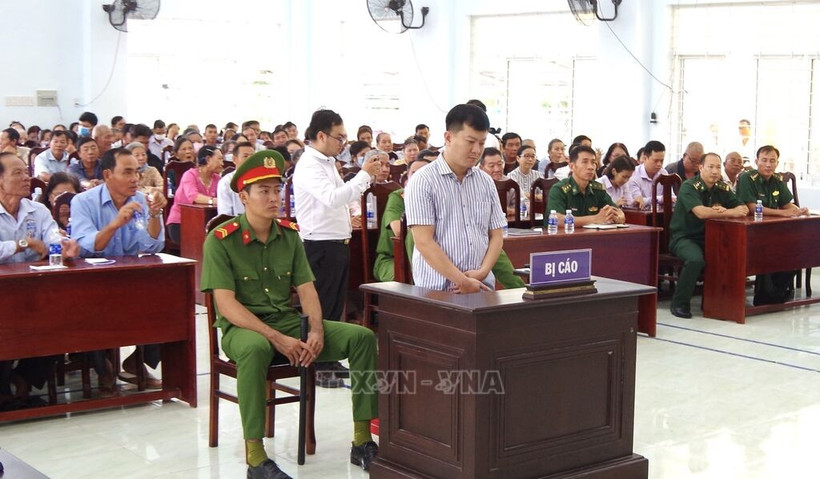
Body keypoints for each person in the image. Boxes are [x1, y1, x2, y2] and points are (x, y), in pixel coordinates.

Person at [200, 151, 379, 477]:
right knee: (255, 349)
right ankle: (256, 458)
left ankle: (362, 440)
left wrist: (317, 330)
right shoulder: (221, 240)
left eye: (276, 189)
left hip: (286, 323)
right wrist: (275, 337)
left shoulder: (290, 235)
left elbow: (308, 291)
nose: (273, 198)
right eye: (263, 191)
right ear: (243, 197)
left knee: (362, 338)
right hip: (242, 330)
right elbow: (226, 305)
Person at [292, 110, 381, 386]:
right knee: (319, 308)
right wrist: (364, 175)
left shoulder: (327, 162)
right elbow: (331, 198)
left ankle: (328, 358)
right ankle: (317, 364)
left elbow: (342, 197)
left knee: (332, 307)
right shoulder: (310, 164)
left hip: (336, 243)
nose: (343, 143)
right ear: (321, 135)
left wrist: (354, 207)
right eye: (339, 137)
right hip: (319, 244)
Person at [71, 147, 169, 393]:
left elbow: (153, 245)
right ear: (107, 175)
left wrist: (155, 214)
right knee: (85, 308)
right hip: (90, 279)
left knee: (170, 300)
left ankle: (137, 361)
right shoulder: (83, 202)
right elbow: (87, 245)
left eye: (136, 172)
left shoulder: (140, 200)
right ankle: (103, 369)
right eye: (127, 172)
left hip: (129, 276)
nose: (135, 178)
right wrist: (114, 224)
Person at [0, 152, 80, 410]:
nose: (27, 178)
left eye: (26, 172)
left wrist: (64, 245)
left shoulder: (38, 209)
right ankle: (4, 389)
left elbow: (52, 237)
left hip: (34, 291)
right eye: (18, 173)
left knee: (60, 323)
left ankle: (23, 380)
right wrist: (20, 244)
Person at [374, 157, 524, 290]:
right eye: (414, 173)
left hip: (461, 269)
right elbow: (401, 231)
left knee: (484, 243)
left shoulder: (479, 182)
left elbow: (493, 234)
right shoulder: (398, 196)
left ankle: (519, 290)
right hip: (396, 259)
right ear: (407, 177)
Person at [405, 103, 506, 292]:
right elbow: (424, 242)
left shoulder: (485, 181)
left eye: (481, 143)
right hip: (438, 292)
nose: (476, 150)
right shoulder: (423, 181)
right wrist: (463, 281)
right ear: (448, 137)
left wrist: (482, 272)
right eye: (470, 141)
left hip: (482, 287)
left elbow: (496, 236)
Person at [668, 152, 748, 318]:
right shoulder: (689, 186)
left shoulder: (722, 188)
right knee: (695, 259)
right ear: (700, 167)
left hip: (712, 238)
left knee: (733, 255)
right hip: (685, 237)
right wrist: (728, 212)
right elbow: (701, 213)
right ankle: (679, 303)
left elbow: (743, 208)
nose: (715, 171)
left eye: (718, 167)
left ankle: (721, 302)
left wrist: (727, 211)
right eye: (710, 167)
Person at [736, 145, 808, 305]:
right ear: (756, 161)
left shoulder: (777, 180)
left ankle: (773, 295)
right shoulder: (747, 178)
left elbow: (787, 204)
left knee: (796, 252)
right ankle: (767, 296)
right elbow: (752, 207)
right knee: (769, 252)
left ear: (777, 163)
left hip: (772, 231)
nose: (768, 164)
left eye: (772, 161)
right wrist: (782, 213)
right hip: (750, 232)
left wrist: (799, 211)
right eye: (764, 160)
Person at [548, 145, 625, 227]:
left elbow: (619, 213)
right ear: (572, 166)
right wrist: (595, 219)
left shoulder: (598, 189)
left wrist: (617, 218)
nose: (590, 167)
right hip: (567, 234)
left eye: (593, 163)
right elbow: (557, 220)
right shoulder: (559, 189)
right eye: (585, 162)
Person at [166, 146, 223, 243]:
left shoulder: (217, 179)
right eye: (219, 159)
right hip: (181, 223)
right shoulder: (190, 175)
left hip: (204, 222)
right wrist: (214, 201)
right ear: (208, 159)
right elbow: (193, 197)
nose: (222, 163)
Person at [217, 142, 256, 216]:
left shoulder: (260, 179)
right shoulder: (226, 182)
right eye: (245, 156)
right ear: (234, 159)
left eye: (252, 156)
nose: (249, 160)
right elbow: (225, 214)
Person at [627, 140, 669, 209]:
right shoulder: (633, 174)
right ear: (645, 158)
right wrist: (660, 199)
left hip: (660, 213)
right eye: (656, 161)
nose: (659, 164)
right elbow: (637, 200)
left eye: (662, 161)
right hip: (640, 214)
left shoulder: (663, 173)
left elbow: (670, 196)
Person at [507, 144, 543, 212]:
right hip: (517, 211)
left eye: (533, 156)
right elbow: (519, 196)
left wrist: (529, 195)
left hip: (536, 211)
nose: (530, 159)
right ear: (518, 158)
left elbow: (543, 196)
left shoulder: (538, 175)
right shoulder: (511, 176)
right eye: (526, 156)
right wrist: (536, 196)